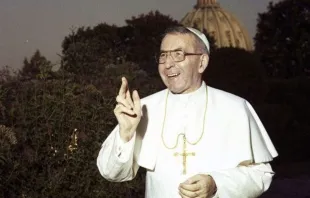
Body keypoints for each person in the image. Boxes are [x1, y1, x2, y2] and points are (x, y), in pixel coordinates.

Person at [97, 26, 278, 198]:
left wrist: (216, 184)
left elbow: (261, 175)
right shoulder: (143, 108)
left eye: (178, 54)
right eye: (163, 55)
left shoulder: (236, 107)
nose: (168, 64)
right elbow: (110, 173)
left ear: (202, 62)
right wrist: (125, 135)